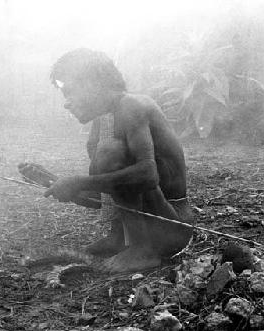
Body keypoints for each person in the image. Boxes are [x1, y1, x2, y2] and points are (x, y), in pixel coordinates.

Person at [20, 48, 194, 273]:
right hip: (155, 223)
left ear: (93, 84)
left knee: (109, 151)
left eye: (70, 92)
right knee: (107, 150)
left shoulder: (133, 106)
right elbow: (104, 198)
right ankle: (120, 238)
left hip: (172, 228)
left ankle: (141, 251)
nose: (67, 103)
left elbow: (147, 175)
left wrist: (78, 182)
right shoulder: (102, 124)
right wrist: (53, 182)